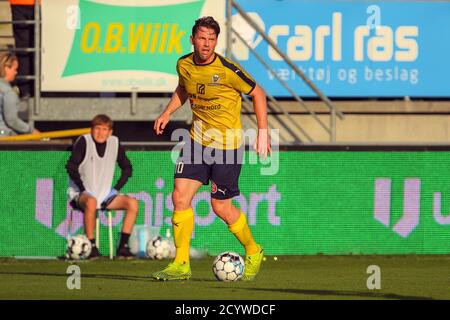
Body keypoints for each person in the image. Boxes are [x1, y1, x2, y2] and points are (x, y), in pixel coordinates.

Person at [152, 16, 271, 281]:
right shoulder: (183, 64)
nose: (206, 44)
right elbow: (184, 89)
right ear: (192, 39)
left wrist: (263, 133)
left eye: (212, 39)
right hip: (196, 140)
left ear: (216, 41)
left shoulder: (227, 69)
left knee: (221, 207)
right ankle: (181, 264)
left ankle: (253, 250)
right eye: (202, 38)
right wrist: (167, 112)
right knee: (180, 197)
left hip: (227, 146)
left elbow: (259, 93)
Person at [66, 114, 138, 259]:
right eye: (97, 128)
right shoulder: (83, 141)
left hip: (105, 195)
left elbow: (127, 168)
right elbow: (71, 166)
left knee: (133, 204)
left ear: (110, 132)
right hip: (81, 194)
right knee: (91, 202)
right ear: (91, 129)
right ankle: (91, 245)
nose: (100, 133)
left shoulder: (115, 143)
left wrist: (115, 189)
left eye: (104, 129)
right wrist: (82, 189)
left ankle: (122, 247)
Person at [0, 52, 39, 136]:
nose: (16, 73)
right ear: (6, 68)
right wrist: (31, 131)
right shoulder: (8, 92)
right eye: (15, 69)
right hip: (3, 135)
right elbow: (12, 120)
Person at [9, 0, 38, 99]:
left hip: (19, 4)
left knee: (24, 48)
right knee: (39, 47)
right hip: (41, 4)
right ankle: (32, 89)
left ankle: (26, 91)